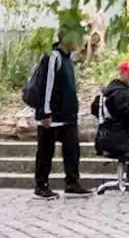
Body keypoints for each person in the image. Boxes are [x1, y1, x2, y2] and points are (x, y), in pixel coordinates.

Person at [33, 32, 90, 199]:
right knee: (45, 151)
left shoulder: (67, 59)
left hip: (68, 115)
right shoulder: (53, 57)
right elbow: (46, 85)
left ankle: (72, 183)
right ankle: (41, 185)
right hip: (52, 115)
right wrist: (45, 112)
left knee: (72, 150)